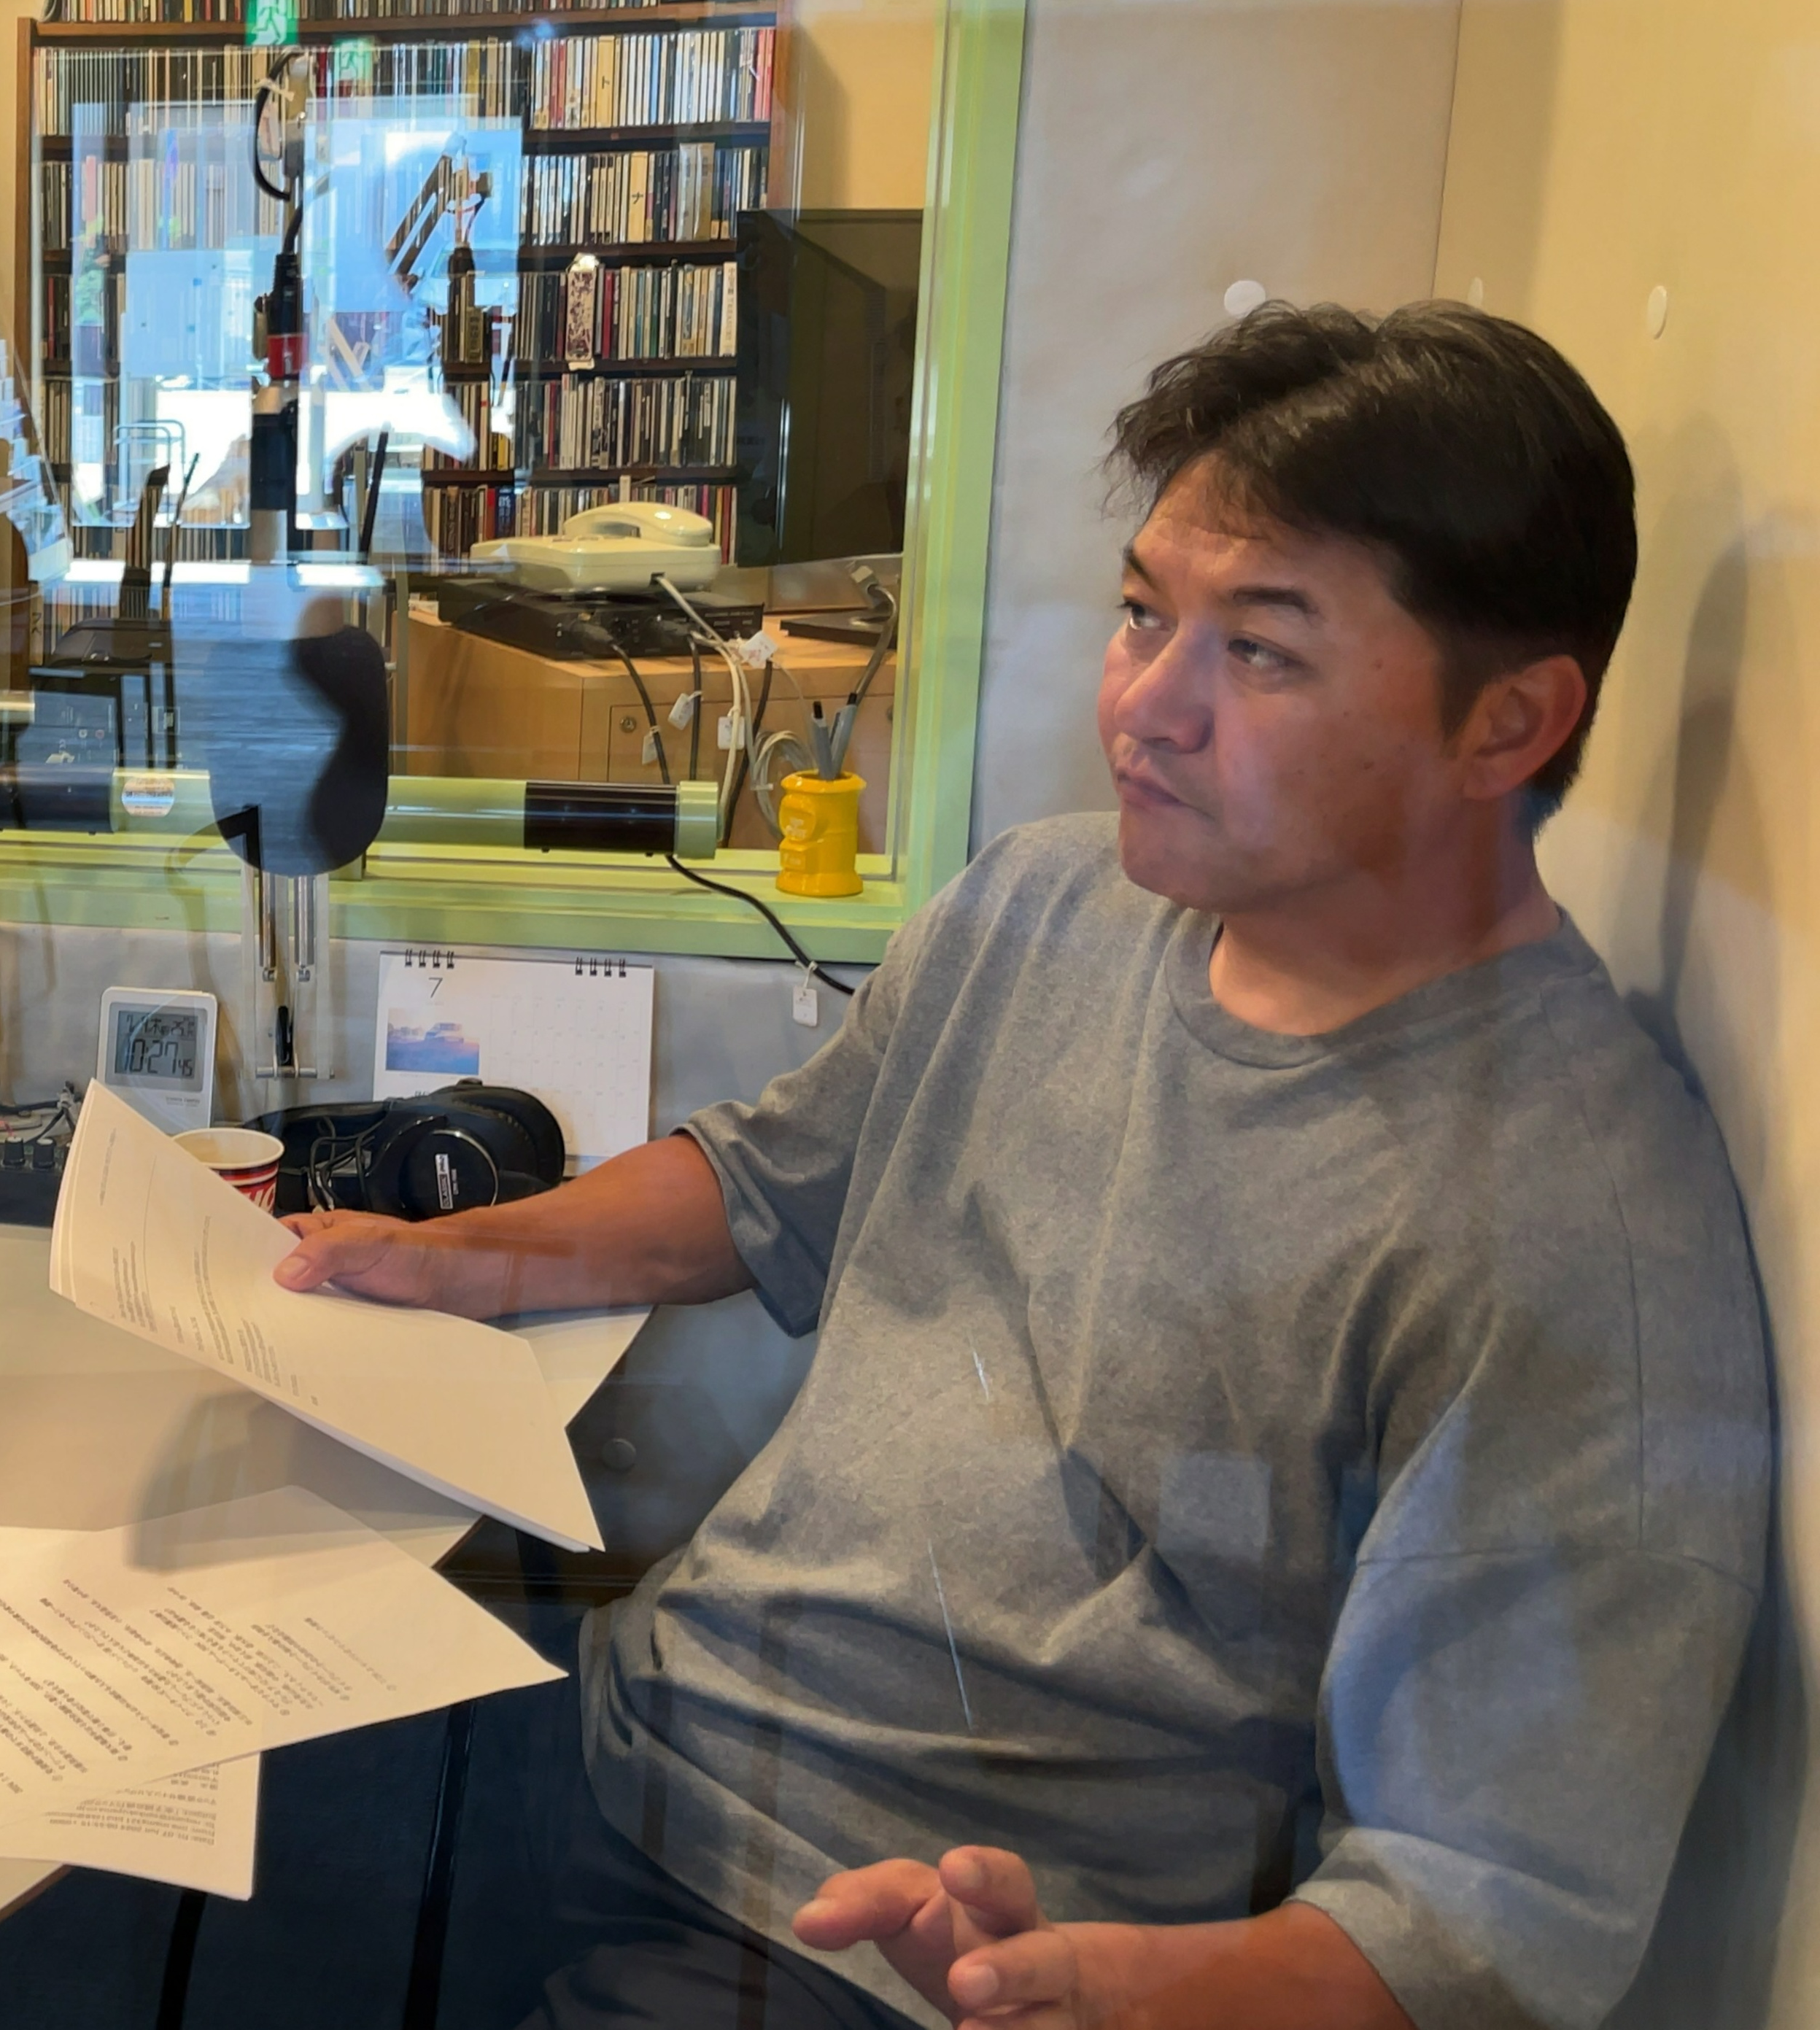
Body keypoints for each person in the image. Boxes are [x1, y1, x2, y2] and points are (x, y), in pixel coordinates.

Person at [277, 302, 1770, 2030]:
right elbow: (774, 1179)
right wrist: (455, 1257)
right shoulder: (1048, 901)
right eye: (1144, 616)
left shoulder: (1576, 1226)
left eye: (1260, 652)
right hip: (631, 1729)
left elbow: (1485, 1911)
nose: (1145, 706)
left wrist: (1129, 1993)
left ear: (1506, 727)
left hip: (893, 1953)